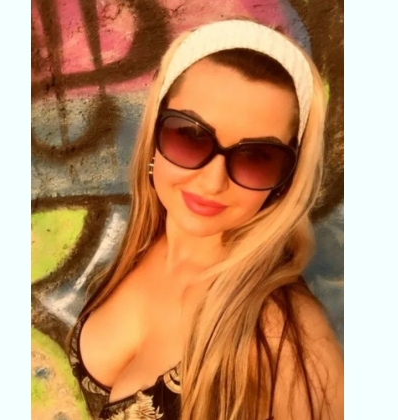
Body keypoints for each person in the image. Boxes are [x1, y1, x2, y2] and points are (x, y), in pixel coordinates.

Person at [67, 18, 344, 420]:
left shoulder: (284, 336)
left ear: (286, 177)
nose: (213, 182)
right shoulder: (141, 247)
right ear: (154, 133)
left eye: (257, 158)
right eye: (190, 135)